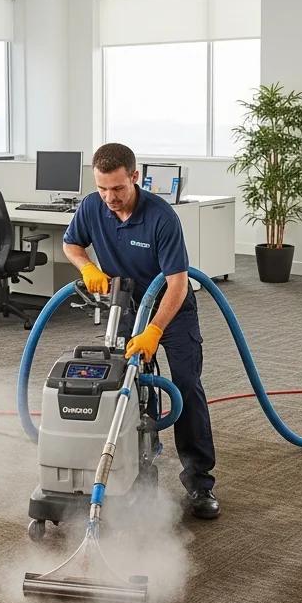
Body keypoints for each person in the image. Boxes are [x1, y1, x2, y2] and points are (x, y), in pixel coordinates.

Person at [62, 142, 219, 519]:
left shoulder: (161, 217)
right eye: (102, 188)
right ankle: (137, 475)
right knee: (130, 386)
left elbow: (179, 285)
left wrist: (153, 331)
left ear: (134, 177)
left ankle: (199, 482)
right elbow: (71, 244)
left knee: (185, 387)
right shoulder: (91, 206)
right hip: (127, 307)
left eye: (117, 188)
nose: (109, 197)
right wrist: (87, 267)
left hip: (171, 311)